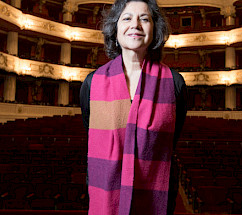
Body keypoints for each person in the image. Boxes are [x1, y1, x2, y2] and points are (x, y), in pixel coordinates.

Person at [80, 0, 187, 214]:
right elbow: (91, 132)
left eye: (144, 19)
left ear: (154, 30)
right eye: (127, 18)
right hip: (106, 189)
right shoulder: (92, 83)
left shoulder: (175, 83)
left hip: (155, 193)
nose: (135, 24)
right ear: (115, 29)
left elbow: (171, 140)